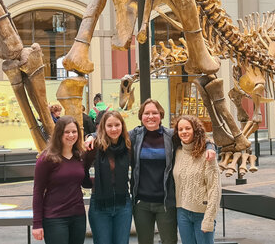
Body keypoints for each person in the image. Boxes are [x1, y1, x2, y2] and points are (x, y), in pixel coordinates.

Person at [86, 99, 216, 244]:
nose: (150, 116)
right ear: (141, 116)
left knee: (169, 241)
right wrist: (93, 135)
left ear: (160, 115)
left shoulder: (171, 136)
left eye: (154, 113)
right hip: (142, 203)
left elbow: (198, 136)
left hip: (165, 202)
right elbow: (112, 132)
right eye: (146, 113)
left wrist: (210, 146)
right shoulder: (135, 136)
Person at [32, 116, 86, 244]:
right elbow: (38, 191)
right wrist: (37, 223)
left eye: (74, 131)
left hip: (78, 216)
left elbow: (84, 181)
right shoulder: (46, 158)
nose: (71, 135)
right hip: (55, 218)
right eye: (66, 132)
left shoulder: (79, 155)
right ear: (59, 133)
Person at [83, 110, 132, 244]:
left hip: (123, 204)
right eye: (109, 125)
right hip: (100, 205)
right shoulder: (94, 147)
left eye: (117, 125)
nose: (114, 129)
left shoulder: (128, 145)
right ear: (103, 127)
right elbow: (83, 170)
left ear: (122, 126)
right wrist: (92, 183)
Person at [172, 115, 221, 244]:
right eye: (180, 129)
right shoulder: (177, 152)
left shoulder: (208, 155)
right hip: (182, 212)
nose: (184, 132)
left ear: (195, 130)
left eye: (188, 128)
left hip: (202, 214)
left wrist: (209, 219)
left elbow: (214, 189)